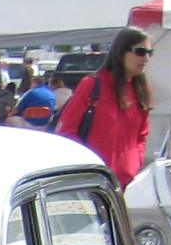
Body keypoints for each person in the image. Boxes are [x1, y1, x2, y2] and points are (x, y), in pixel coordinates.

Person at [54, 27, 152, 185]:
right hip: (92, 183)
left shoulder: (141, 90)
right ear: (121, 52)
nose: (146, 58)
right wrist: (88, 168)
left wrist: (134, 164)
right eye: (140, 51)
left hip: (125, 184)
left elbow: (141, 136)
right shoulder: (92, 85)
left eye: (149, 52)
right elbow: (66, 130)